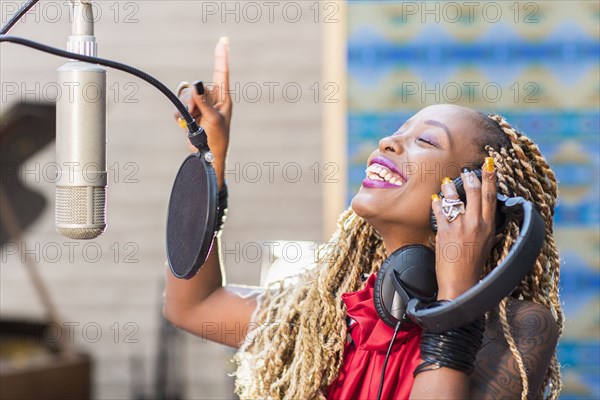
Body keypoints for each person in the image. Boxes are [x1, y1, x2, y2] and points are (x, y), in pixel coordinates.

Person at [164, 38, 563, 399]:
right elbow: (194, 306)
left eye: (425, 141)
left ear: (474, 198)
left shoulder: (520, 330)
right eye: (399, 132)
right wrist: (209, 161)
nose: (388, 142)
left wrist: (456, 296)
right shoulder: (326, 312)